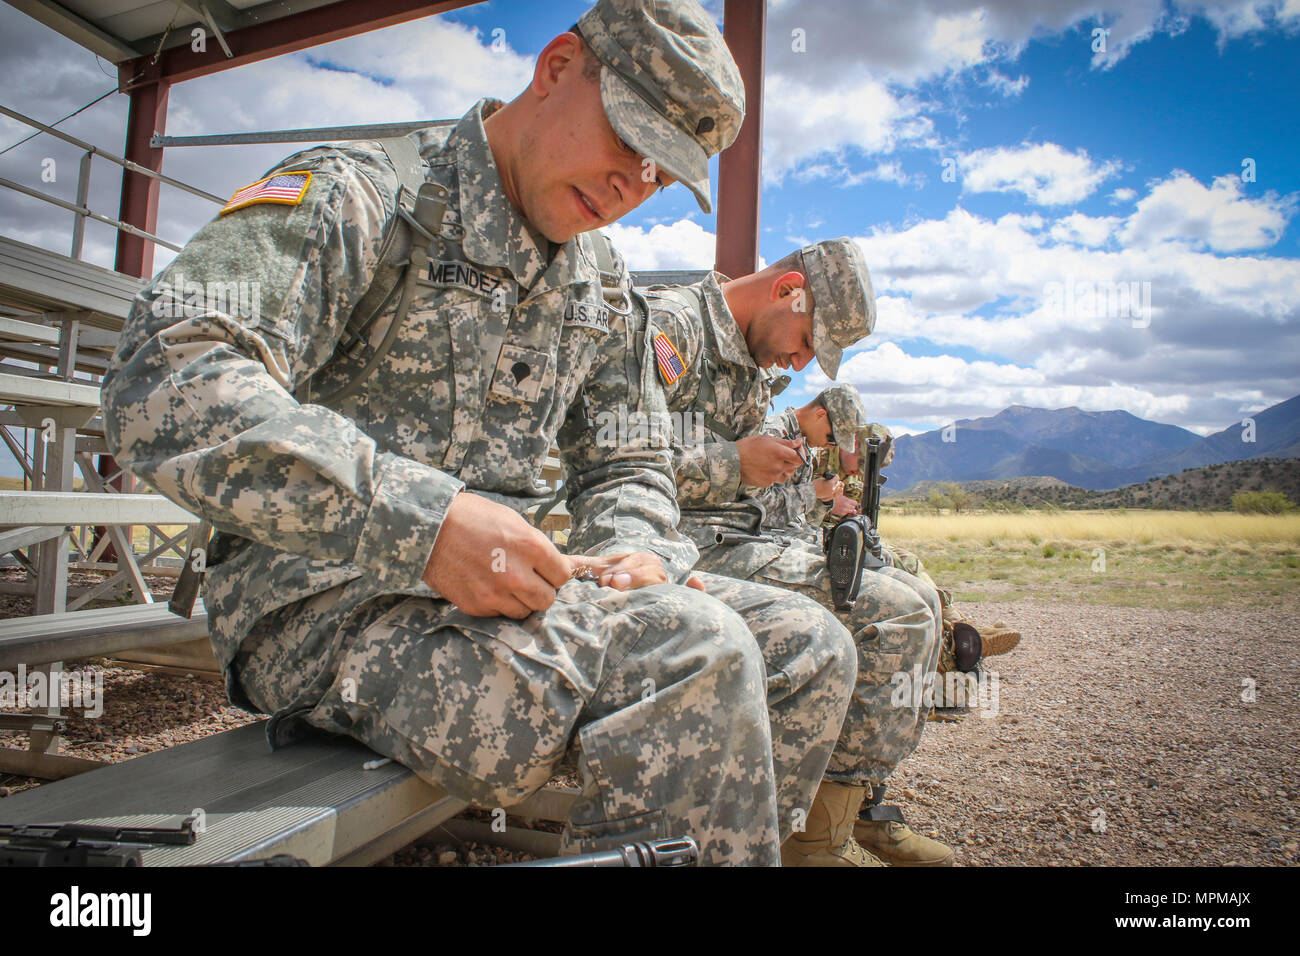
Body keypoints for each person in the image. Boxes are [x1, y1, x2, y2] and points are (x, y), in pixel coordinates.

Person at [101, 0, 857, 866]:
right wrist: (421, 525)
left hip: (517, 591)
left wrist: (636, 547)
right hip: (320, 600)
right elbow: (166, 370)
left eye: (659, 172)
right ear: (558, 66)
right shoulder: (368, 195)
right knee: (695, 656)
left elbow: (629, 457)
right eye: (627, 138)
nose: (630, 186)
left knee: (810, 647)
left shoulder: (600, 283)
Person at [643, 239, 956, 866]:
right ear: (789, 288)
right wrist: (734, 463)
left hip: (740, 540)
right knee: (894, 615)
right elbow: (611, 461)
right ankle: (813, 846)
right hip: (681, 547)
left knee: (915, 595)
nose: (802, 358)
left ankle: (843, 815)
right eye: (809, 339)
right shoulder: (672, 329)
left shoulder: (751, 364)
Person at [760, 385, 1023, 724]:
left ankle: (956, 633)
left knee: (906, 567)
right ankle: (948, 657)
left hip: (823, 537)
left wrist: (847, 515)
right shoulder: (801, 447)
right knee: (895, 594)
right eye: (839, 442)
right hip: (810, 543)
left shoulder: (827, 453)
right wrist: (826, 502)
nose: (856, 470)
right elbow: (784, 514)